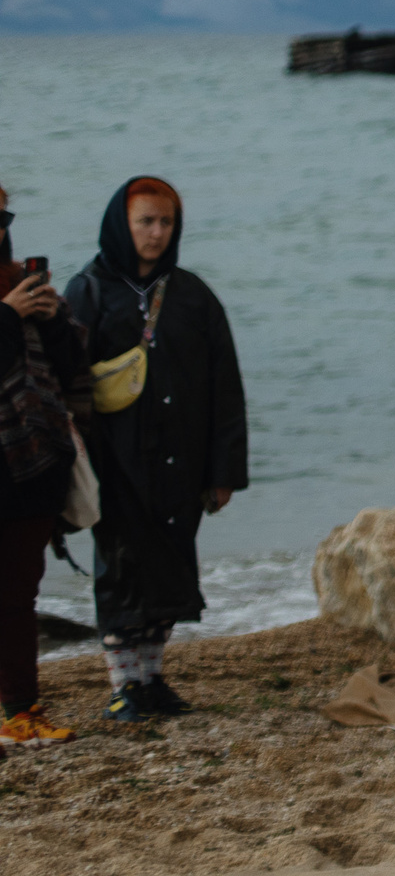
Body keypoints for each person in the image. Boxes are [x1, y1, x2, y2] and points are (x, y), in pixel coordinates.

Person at [62, 178, 247, 722]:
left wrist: (225, 471)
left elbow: (225, 388)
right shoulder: (88, 291)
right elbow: (67, 383)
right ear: (123, 223)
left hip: (181, 460)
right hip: (114, 460)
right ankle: (124, 686)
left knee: (170, 562)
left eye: (166, 222)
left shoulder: (193, 295)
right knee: (120, 566)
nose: (156, 233)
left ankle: (152, 678)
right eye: (145, 221)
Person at [0, 189, 91, 749]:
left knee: (16, 593)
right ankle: (18, 710)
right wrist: (8, 316)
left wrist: (52, 320)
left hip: (29, 463)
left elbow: (68, 367)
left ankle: (21, 709)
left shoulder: (16, 279)